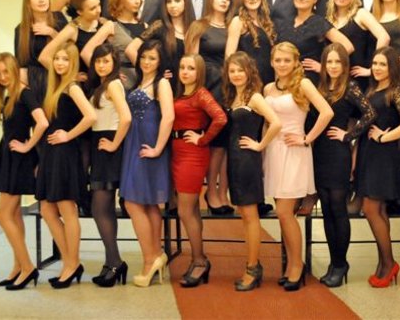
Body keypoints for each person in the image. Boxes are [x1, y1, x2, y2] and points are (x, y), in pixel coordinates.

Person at [263, 42, 333, 291]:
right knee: (283, 214)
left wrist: (307, 138)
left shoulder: (303, 84)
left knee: (285, 213)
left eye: (286, 60)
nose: (282, 64)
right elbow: (267, 123)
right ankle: (291, 264)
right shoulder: (268, 88)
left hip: (294, 152)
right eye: (278, 60)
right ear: (272, 62)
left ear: (295, 62)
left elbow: (326, 112)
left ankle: (296, 266)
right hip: (274, 151)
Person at [355, 46, 400, 288]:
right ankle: (384, 263)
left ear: (392, 67)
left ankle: (389, 263)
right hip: (367, 153)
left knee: (371, 208)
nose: (377, 68)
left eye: (383, 64)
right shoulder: (372, 89)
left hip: (383, 155)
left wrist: (384, 137)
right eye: (375, 63)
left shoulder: (395, 91)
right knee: (378, 210)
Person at [314, 43, 376, 287]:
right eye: (329, 61)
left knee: (338, 208)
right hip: (318, 151)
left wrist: (348, 135)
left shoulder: (349, 87)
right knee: (326, 210)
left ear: (345, 65)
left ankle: (341, 264)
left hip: (338, 152)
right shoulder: (319, 87)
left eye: (337, 62)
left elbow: (370, 113)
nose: (333, 66)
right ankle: (333, 262)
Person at [36, 43, 97, 288]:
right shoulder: (55, 87)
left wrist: (68, 135)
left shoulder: (72, 87)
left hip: (65, 154)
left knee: (67, 210)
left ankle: (71, 265)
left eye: (65, 59)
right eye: (57, 58)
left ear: (73, 63)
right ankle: (71, 262)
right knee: (47, 210)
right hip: (51, 154)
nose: (60, 63)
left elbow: (91, 116)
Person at [0, 53, 49, 290]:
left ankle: (28, 267)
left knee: (2, 216)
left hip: (18, 158)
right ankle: (18, 267)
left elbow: (42, 122)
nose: (3, 77)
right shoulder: (10, 95)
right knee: (13, 215)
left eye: (6, 71)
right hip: (9, 157)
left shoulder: (25, 93)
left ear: (14, 70)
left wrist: (27, 146)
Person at [223, 52, 282, 291]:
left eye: (240, 70)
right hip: (235, 160)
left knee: (250, 217)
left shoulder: (254, 97)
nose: (236, 74)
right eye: (232, 71)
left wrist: (260, 145)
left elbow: (276, 123)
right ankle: (252, 264)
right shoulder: (234, 96)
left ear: (249, 71)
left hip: (247, 161)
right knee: (245, 217)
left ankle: (253, 268)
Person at [119, 40, 174, 287]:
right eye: (143, 57)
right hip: (135, 143)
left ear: (160, 61)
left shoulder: (162, 83)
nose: (146, 62)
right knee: (149, 204)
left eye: (152, 58)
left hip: (149, 144)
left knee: (132, 203)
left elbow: (169, 117)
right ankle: (156, 254)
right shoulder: (139, 82)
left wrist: (158, 148)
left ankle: (150, 259)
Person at [171, 54, 227, 288]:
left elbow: (220, 118)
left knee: (185, 211)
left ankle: (199, 261)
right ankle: (198, 259)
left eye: (191, 68)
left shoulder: (200, 94)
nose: (185, 72)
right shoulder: (180, 93)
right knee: (191, 210)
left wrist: (203, 139)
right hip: (177, 153)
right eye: (182, 67)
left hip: (192, 155)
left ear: (200, 72)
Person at [185, 0, 234, 214]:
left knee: (225, 145)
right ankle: (211, 192)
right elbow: (191, 60)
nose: (224, 0)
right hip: (208, 87)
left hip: (228, 87)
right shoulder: (199, 25)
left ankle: (223, 193)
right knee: (214, 145)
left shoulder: (232, 26)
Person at [86, 43, 132, 287]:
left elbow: (126, 118)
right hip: (100, 144)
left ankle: (115, 262)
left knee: (99, 207)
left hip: (108, 145)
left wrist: (114, 145)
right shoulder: (103, 85)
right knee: (104, 209)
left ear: (114, 63)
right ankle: (110, 262)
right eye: (98, 61)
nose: (101, 65)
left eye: (106, 61)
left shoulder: (113, 84)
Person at [277, 0, 354, 84]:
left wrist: (324, 66)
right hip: (285, 77)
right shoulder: (285, 22)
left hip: (308, 79)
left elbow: (348, 46)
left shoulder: (319, 22)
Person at [327, 0, 390, 92]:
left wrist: (372, 69)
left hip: (358, 78)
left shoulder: (361, 14)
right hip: (336, 79)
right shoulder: (328, 20)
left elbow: (384, 37)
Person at [127, 0, 195, 91]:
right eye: (169, 1)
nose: (172, 5)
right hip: (161, 85)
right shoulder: (159, 25)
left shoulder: (192, 29)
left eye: (177, 1)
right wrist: (153, 73)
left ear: (186, 3)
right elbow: (130, 50)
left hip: (185, 85)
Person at [81, 0, 145, 90]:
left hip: (143, 82)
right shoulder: (111, 26)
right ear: (120, 0)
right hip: (122, 84)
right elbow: (86, 53)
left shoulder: (145, 26)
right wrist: (108, 74)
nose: (137, 1)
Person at [14, 0, 68, 103]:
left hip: (59, 72)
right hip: (35, 78)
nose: (42, 0)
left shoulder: (59, 18)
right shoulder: (21, 29)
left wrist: (52, 33)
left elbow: (70, 48)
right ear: (28, 3)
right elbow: (20, 63)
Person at [41, 0, 103, 81]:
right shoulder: (71, 29)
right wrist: (70, 76)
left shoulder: (102, 23)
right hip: (85, 82)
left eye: (99, 5)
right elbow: (44, 57)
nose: (98, 10)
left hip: (102, 78)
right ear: (79, 12)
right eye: (92, 8)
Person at [226, 0, 277, 85]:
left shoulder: (266, 21)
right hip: (249, 80)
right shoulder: (238, 21)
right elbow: (229, 56)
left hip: (269, 78)